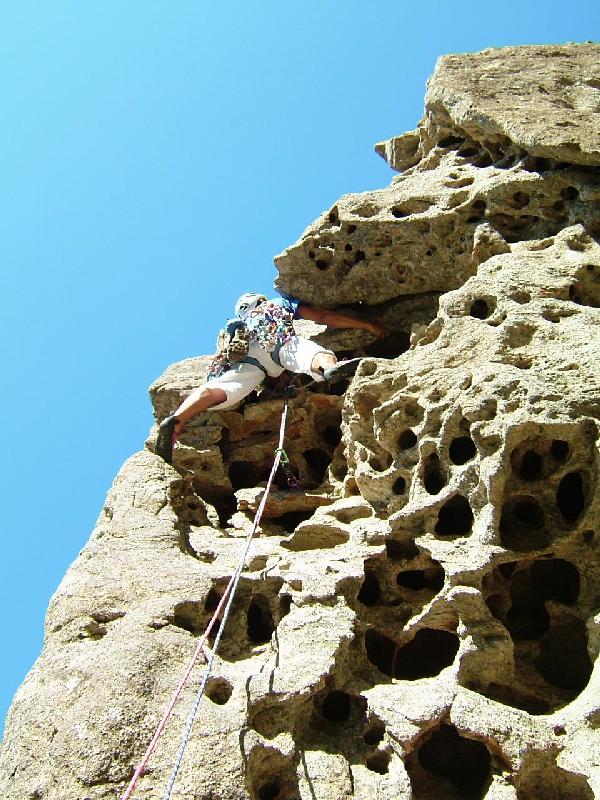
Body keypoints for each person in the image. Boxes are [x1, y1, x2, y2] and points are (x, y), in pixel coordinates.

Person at [155, 292, 385, 463]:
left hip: (249, 362)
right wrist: (366, 324)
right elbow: (323, 316)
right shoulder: (278, 304)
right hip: (278, 341)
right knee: (309, 353)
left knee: (220, 390)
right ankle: (328, 368)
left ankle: (177, 420)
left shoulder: (240, 326)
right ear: (260, 300)